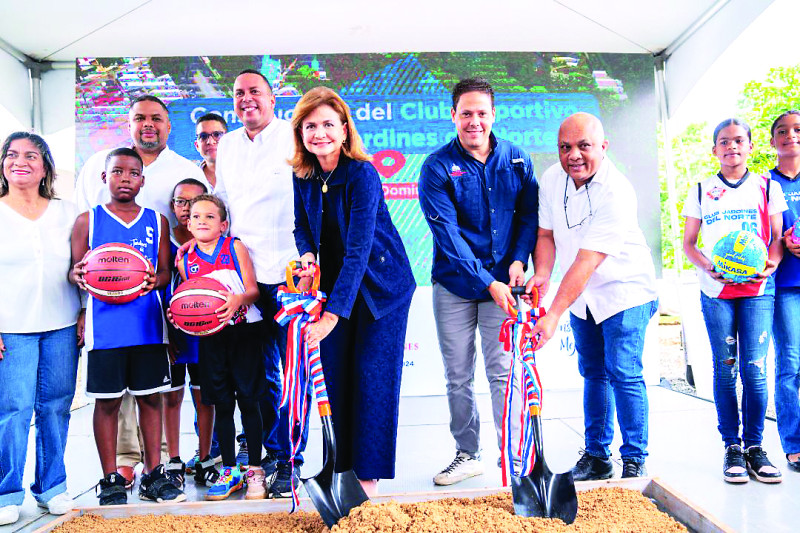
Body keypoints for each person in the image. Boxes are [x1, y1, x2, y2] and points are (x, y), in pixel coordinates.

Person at [75, 94, 209, 487]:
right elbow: (81, 258)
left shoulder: (184, 170)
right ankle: (119, 467)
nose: (148, 125)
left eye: (156, 119)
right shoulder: (95, 175)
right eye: (139, 118)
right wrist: (82, 290)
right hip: (106, 312)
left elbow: (182, 243)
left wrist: (162, 283)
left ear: (169, 126)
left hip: (154, 308)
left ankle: (163, 465)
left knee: (157, 392)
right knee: (112, 399)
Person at [291, 86, 416, 496]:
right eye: (311, 126)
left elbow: (359, 250)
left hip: (382, 289)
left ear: (345, 130)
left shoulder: (362, 173)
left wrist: (331, 316)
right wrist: (308, 256)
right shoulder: (303, 175)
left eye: (329, 124)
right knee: (336, 379)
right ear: (301, 132)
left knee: (371, 379)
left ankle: (367, 481)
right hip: (336, 288)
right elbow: (302, 228)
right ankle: (340, 469)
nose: (320, 133)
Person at [418, 77, 538, 486]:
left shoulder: (518, 160)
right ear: (453, 115)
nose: (474, 121)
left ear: (493, 115)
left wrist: (520, 259)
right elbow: (447, 236)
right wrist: (490, 282)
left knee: (504, 372)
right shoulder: (436, 167)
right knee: (457, 375)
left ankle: (515, 457)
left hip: (503, 287)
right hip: (456, 285)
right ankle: (468, 454)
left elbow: (528, 217)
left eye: (481, 113)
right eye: (465, 113)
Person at [526, 112, 658, 480]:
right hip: (582, 297)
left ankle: (634, 457)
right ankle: (598, 457)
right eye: (565, 147)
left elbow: (587, 261)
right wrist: (541, 274)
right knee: (594, 374)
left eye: (584, 146)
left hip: (624, 291)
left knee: (623, 373)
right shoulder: (552, 179)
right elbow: (546, 236)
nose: (574, 155)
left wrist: (551, 314)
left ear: (603, 146)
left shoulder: (617, 190)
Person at [212, 69, 310, 495]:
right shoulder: (229, 145)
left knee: (293, 374)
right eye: (239, 93)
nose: (246, 99)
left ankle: (291, 459)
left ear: (273, 99)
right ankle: (269, 454)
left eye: (255, 91)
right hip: (245, 278)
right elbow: (223, 205)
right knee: (261, 375)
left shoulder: (294, 137)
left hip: (291, 276)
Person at [70, 148, 186, 505]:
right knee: (106, 404)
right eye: (117, 172)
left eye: (133, 173)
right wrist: (76, 276)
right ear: (104, 178)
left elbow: (166, 272)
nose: (125, 179)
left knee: (150, 399)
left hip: (147, 325)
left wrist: (157, 278)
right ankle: (110, 479)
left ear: (142, 180)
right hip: (105, 328)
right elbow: (75, 271)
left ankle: (153, 474)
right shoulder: (87, 221)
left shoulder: (157, 220)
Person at [683, 118, 785, 484]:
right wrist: (710, 268)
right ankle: (732, 448)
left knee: (755, 370)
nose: (732, 147)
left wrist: (770, 265)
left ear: (751, 147)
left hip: (758, 290)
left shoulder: (767, 186)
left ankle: (756, 447)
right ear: (714, 150)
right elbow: (689, 244)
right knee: (725, 369)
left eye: (739, 141)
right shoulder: (700, 189)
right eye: (724, 142)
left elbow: (775, 238)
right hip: (717, 292)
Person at [0, 133, 82, 525]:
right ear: (2, 165)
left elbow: (82, 267)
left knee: (55, 408)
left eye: (31, 155)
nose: (21, 161)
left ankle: (52, 488)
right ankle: (6, 492)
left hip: (62, 325)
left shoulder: (68, 213)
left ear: (46, 166)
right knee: (11, 410)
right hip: (10, 329)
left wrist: (83, 313)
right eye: (12, 155)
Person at [171, 194, 266, 500]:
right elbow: (192, 304)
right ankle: (229, 469)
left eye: (210, 216)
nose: (201, 221)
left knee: (249, 402)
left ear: (223, 224)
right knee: (222, 404)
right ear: (188, 223)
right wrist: (179, 313)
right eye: (195, 216)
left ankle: (254, 469)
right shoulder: (185, 260)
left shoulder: (233, 247)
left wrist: (238, 299)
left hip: (244, 332)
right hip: (211, 339)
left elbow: (251, 291)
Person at [162, 178, 220, 489]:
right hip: (174, 331)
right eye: (180, 201)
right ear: (172, 206)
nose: (187, 208)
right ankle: (173, 458)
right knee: (171, 396)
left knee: (204, 397)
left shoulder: (217, 246)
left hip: (204, 332)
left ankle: (206, 456)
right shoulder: (165, 241)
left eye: (194, 201)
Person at [768, 110, 800, 474]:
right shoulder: (764, 184)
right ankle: (794, 445)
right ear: (773, 140)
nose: (791, 135)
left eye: (797, 129)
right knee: (789, 366)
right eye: (782, 131)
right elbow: (758, 235)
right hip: (785, 286)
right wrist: (781, 244)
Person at [194, 113, 227, 189]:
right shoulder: (190, 176)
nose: (210, 141)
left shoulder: (245, 173)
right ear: (197, 145)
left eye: (217, 134)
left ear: (229, 139)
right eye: (203, 136)